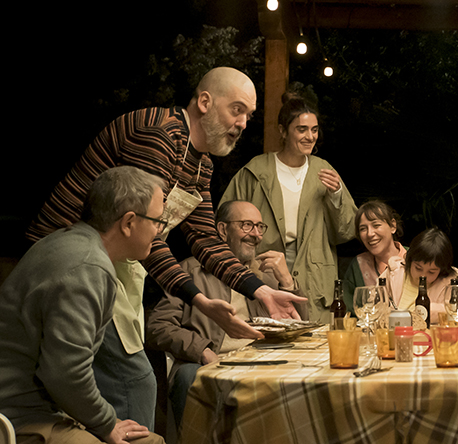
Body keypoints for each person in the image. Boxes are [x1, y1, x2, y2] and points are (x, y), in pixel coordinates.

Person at [25, 67, 304, 428]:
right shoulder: (159, 135)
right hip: (68, 262)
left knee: (122, 382)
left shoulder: (200, 162)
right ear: (204, 102)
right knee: (132, 380)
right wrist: (199, 300)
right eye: (236, 110)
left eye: (248, 115)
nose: (243, 123)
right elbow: (140, 229)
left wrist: (260, 290)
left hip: (109, 265)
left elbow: (205, 239)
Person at [0, 167, 165, 444]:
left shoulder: (70, 243)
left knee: (148, 439)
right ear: (128, 222)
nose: (159, 231)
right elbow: (65, 373)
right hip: (20, 417)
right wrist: (106, 423)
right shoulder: (88, 266)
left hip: (39, 408)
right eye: (157, 221)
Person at [146, 200, 305, 429]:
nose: (256, 234)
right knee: (189, 376)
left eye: (260, 227)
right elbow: (157, 326)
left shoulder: (265, 276)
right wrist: (202, 350)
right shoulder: (189, 272)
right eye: (247, 225)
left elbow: (300, 326)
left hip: (262, 363)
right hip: (210, 363)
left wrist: (287, 281)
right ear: (222, 230)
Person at [220, 94, 357, 322]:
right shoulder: (255, 171)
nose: (310, 136)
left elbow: (346, 231)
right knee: (266, 331)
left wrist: (336, 196)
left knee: (312, 337)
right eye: (302, 129)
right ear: (283, 131)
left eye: (314, 130)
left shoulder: (324, 171)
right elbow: (224, 222)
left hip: (314, 273)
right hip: (264, 268)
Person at [381, 227, 458, 324]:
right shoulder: (394, 272)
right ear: (410, 260)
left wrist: (434, 311)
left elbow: (457, 313)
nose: (423, 276)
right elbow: (374, 307)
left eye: (431, 272)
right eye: (418, 268)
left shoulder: (449, 285)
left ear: (442, 270)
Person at [342, 200, 407, 315]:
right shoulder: (358, 266)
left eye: (376, 225)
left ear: (393, 226)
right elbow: (349, 313)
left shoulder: (415, 259)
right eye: (363, 229)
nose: (370, 234)